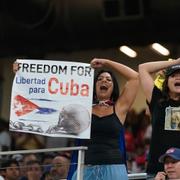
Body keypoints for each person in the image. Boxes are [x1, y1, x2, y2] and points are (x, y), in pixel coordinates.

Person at [71, 58, 139, 180]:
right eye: (100, 79)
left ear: (113, 88)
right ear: (94, 86)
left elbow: (135, 77)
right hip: (86, 168)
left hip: (114, 169)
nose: (104, 81)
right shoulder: (83, 108)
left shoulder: (119, 108)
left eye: (109, 80)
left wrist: (106, 62)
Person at [138, 58, 180, 176]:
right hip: (157, 170)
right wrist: (175, 62)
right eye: (173, 75)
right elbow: (143, 68)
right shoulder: (157, 99)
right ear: (166, 82)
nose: (178, 78)